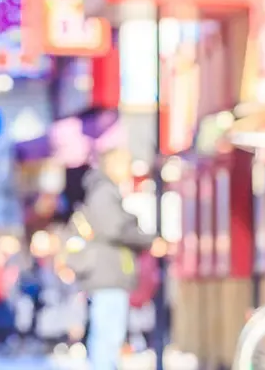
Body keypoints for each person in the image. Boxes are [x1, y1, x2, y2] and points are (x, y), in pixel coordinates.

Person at [78, 148, 162, 370]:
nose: (128, 170)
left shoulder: (104, 191)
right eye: (125, 164)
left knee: (108, 331)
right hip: (108, 272)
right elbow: (115, 228)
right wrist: (146, 238)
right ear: (112, 165)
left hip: (110, 271)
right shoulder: (104, 192)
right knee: (109, 332)